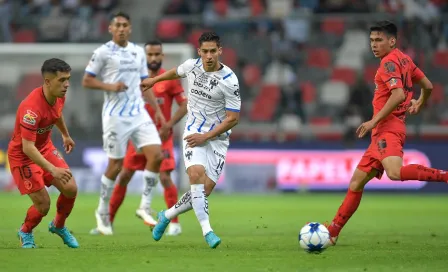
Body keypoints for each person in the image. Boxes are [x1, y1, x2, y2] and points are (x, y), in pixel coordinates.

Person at [325, 21, 448, 246]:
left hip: (388, 130)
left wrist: (374, 121)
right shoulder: (404, 59)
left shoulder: (388, 63)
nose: (374, 45)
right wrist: (420, 101)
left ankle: (445, 175)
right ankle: (333, 231)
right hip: (383, 132)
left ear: (392, 41)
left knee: (394, 172)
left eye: (379, 40)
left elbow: (399, 95)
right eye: (372, 40)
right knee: (356, 184)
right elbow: (428, 86)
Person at [140, 32, 241, 249]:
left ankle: (167, 215)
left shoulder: (229, 80)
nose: (209, 55)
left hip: (218, 138)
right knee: (195, 175)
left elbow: (233, 119)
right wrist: (154, 80)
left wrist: (207, 136)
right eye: (205, 51)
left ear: (220, 51)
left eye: (213, 51)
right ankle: (208, 231)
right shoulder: (191, 66)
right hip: (193, 131)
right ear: (199, 52)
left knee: (204, 191)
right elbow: (175, 73)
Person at [82, 11, 164, 235]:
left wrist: (156, 110)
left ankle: (145, 207)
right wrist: (110, 87)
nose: (120, 28)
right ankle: (102, 211)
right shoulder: (102, 52)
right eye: (117, 25)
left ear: (130, 28)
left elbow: (143, 83)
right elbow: (86, 80)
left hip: (138, 113)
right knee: (115, 166)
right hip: (115, 116)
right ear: (110, 28)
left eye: (124, 25)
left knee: (156, 156)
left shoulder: (138, 52)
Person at [108, 40, 188, 236]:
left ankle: (175, 224)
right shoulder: (134, 78)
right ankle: (107, 222)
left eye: (156, 54)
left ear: (162, 56)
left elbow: (185, 105)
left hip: (162, 137)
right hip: (137, 138)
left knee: (165, 177)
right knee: (124, 176)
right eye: (149, 55)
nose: (153, 58)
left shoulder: (169, 79)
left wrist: (169, 125)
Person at [8, 58, 79, 248]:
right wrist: (52, 170)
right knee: (43, 205)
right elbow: (27, 147)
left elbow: (57, 114)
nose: (67, 84)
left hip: (44, 148)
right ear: (47, 81)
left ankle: (58, 225)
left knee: (70, 188)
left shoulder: (59, 95)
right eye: (62, 80)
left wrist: (65, 135)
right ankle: (25, 231)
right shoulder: (30, 109)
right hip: (23, 156)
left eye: (68, 79)